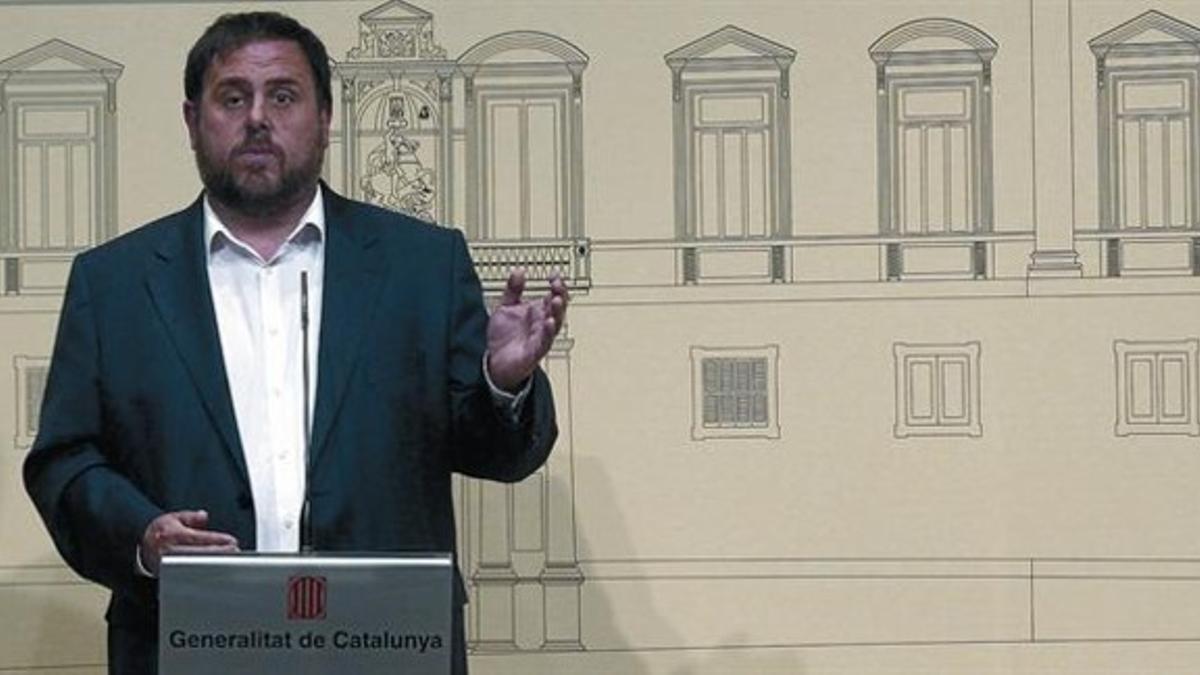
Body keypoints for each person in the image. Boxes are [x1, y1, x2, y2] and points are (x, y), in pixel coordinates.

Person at [22, 11, 567, 675]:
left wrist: (501, 384)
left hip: (384, 647)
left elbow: (498, 454)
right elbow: (64, 460)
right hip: (185, 644)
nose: (258, 117)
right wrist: (141, 535)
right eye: (233, 97)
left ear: (326, 116)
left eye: (282, 96)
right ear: (193, 120)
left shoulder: (422, 265)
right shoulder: (112, 282)